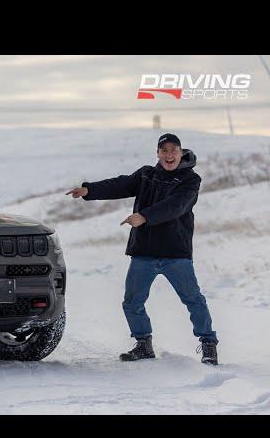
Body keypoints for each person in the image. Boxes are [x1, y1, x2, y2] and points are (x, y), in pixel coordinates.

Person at [66, 133, 218, 365]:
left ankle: (208, 344)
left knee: (193, 299)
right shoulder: (147, 174)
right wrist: (89, 191)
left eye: (173, 150)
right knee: (132, 302)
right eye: (164, 150)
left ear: (181, 152)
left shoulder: (190, 180)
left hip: (175, 253)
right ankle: (143, 344)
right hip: (144, 252)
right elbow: (120, 184)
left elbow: (176, 207)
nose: (169, 155)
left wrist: (144, 216)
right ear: (157, 153)